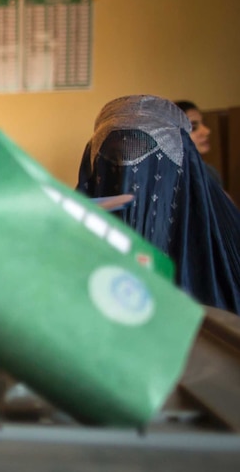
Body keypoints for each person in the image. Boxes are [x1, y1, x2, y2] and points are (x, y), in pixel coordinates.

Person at [78, 95, 240, 313]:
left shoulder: (225, 236)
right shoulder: (72, 228)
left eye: (146, 152)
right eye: (114, 156)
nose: (128, 174)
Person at [174, 100, 222, 185]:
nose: (207, 131)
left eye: (203, 123)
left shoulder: (210, 172)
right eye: (193, 127)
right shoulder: (167, 179)